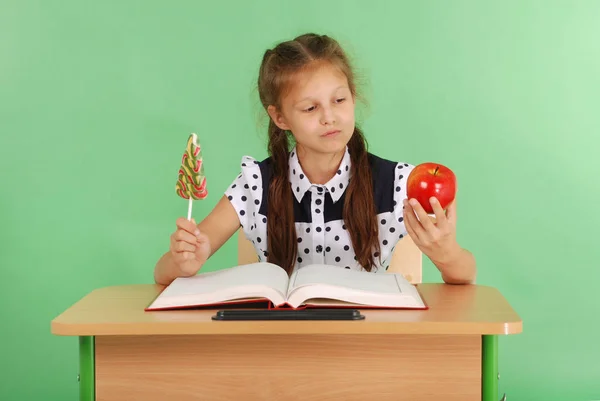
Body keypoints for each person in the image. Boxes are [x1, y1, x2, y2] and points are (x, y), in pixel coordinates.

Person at [154, 33, 476, 286]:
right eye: (310, 108)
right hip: (281, 349)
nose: (329, 117)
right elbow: (163, 272)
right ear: (280, 117)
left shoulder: (396, 183)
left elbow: (465, 274)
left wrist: (445, 252)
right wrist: (183, 260)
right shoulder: (255, 185)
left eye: (339, 100)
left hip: (366, 349)